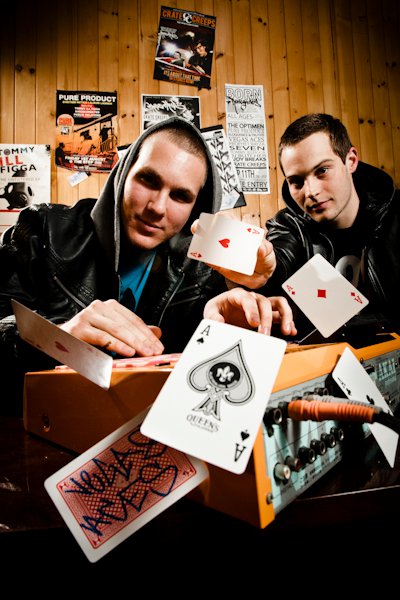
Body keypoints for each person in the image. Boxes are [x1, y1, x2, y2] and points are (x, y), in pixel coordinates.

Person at [0, 116, 296, 416]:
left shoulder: (206, 274)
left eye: (180, 196)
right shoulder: (43, 230)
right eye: (148, 181)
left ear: (196, 208)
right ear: (123, 174)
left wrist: (231, 334)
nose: (157, 207)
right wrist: (56, 337)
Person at [260, 112, 399, 341]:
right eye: (297, 182)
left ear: (350, 161)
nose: (311, 192)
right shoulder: (288, 225)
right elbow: (277, 262)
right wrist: (257, 270)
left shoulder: (396, 216)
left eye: (322, 171)